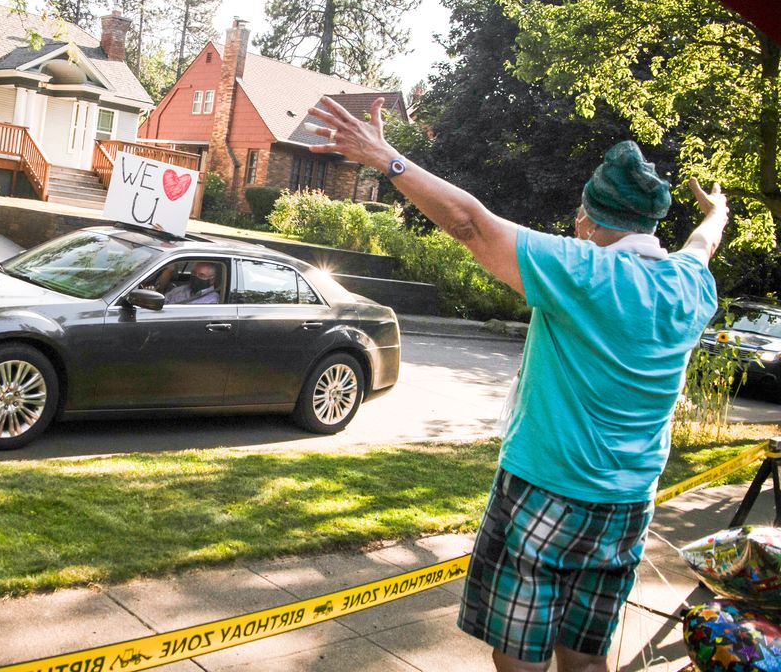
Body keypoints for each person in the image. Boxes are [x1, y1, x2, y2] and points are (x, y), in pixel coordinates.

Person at [304, 96, 728, 672]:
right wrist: (718, 211)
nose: (575, 226)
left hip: (548, 490)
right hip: (629, 504)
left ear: (596, 219)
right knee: (585, 660)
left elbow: (469, 223)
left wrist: (387, 158)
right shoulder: (690, 284)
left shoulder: (585, 271)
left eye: (580, 216)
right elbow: (703, 242)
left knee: (521, 659)